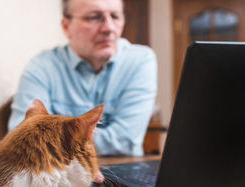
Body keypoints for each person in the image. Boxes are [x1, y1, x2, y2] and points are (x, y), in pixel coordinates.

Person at [9, 0, 157, 157]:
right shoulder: (41, 67)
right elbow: (22, 136)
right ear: (66, 26)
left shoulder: (140, 59)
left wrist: (57, 141)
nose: (109, 28)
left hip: (122, 170)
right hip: (59, 174)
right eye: (94, 17)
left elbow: (125, 140)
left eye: (115, 16)